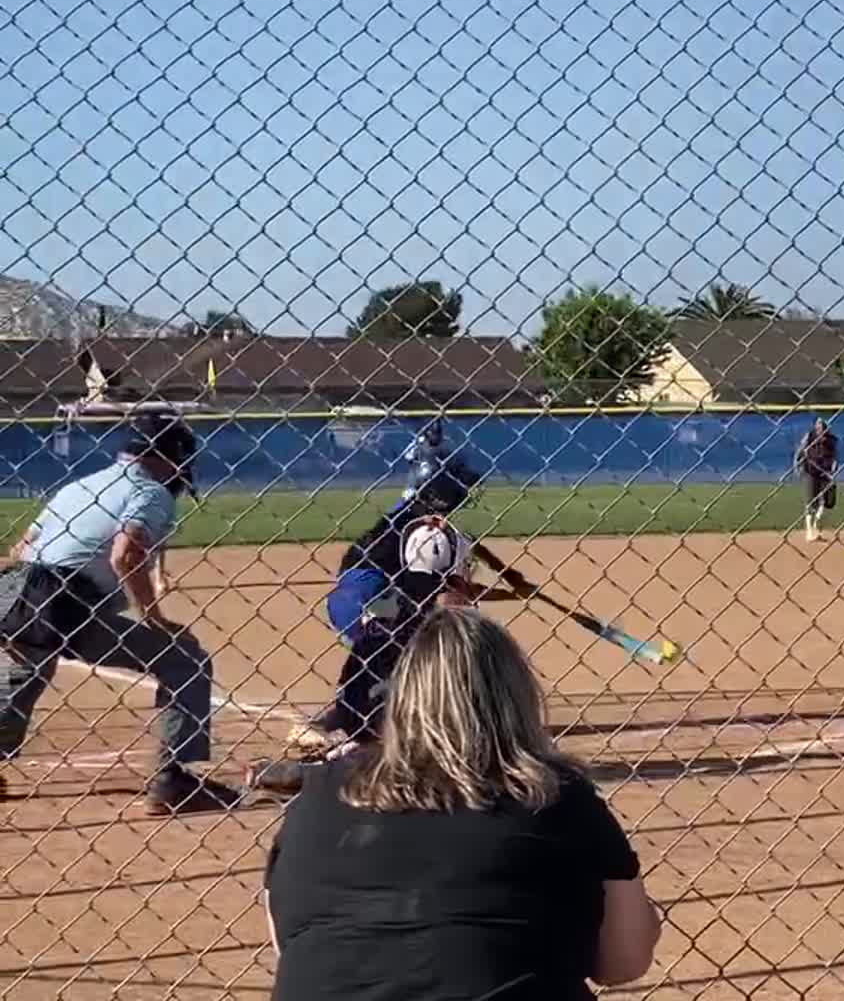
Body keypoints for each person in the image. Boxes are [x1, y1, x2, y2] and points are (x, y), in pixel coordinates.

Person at [262, 608, 662, 1001]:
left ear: (402, 698)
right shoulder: (555, 795)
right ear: (517, 697)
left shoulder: (314, 800)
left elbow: (291, 943)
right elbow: (623, 963)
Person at [0, 410, 238, 814]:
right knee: (185, 660)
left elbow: (20, 549)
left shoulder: (81, 485)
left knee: (26, 673)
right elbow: (125, 554)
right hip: (62, 599)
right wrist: (155, 617)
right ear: (167, 456)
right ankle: (173, 778)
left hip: (13, 591)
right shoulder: (152, 491)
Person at [286, 455, 533, 760]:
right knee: (415, 654)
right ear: (440, 493)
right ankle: (351, 735)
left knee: (386, 661)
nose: (466, 493)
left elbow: (467, 543)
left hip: (360, 599)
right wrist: (515, 592)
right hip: (369, 602)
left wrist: (511, 577)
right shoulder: (427, 532)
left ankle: (343, 721)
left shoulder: (413, 515)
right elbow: (459, 588)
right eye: (460, 487)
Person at [795, 417, 838, 543]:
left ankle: (816, 527)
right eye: (818, 425)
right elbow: (800, 453)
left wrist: (833, 468)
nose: (820, 428)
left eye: (823, 426)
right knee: (811, 502)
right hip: (810, 472)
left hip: (825, 473)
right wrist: (799, 466)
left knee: (826, 501)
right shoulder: (809, 437)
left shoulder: (831, 440)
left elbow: (834, 456)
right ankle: (809, 532)